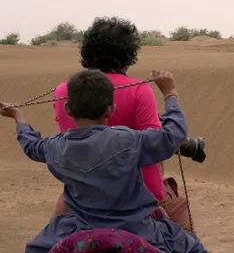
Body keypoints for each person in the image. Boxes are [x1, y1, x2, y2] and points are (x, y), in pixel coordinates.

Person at [0, 69, 208, 253]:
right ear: (111, 110)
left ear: (67, 110)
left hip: (80, 229)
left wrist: (19, 118)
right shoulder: (129, 140)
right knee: (192, 246)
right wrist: (170, 94)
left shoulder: (56, 147)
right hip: (140, 231)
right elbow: (173, 135)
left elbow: (31, 145)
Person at [50, 16, 192, 230]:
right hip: (140, 198)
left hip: (82, 197)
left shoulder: (64, 90)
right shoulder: (138, 89)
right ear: (128, 56)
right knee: (187, 241)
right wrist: (170, 94)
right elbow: (156, 144)